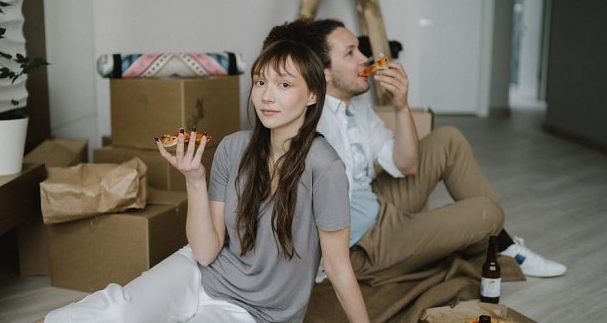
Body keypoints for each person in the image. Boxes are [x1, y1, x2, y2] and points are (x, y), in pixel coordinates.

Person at [42, 40, 370, 323]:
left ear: (313, 95)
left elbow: (338, 268)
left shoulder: (324, 167)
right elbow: (206, 251)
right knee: (114, 312)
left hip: (257, 312)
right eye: (260, 83)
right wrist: (195, 180)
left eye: (284, 85)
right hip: (200, 272)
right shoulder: (233, 148)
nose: (267, 96)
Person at [262, 18, 566, 283]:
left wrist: (401, 105)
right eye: (351, 53)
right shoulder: (309, 116)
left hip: (376, 202)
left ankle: (502, 243)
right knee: (488, 213)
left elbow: (407, 165)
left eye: (360, 49)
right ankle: (499, 242)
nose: (365, 59)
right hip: (362, 242)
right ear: (324, 73)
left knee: (447, 139)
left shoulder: (357, 107)